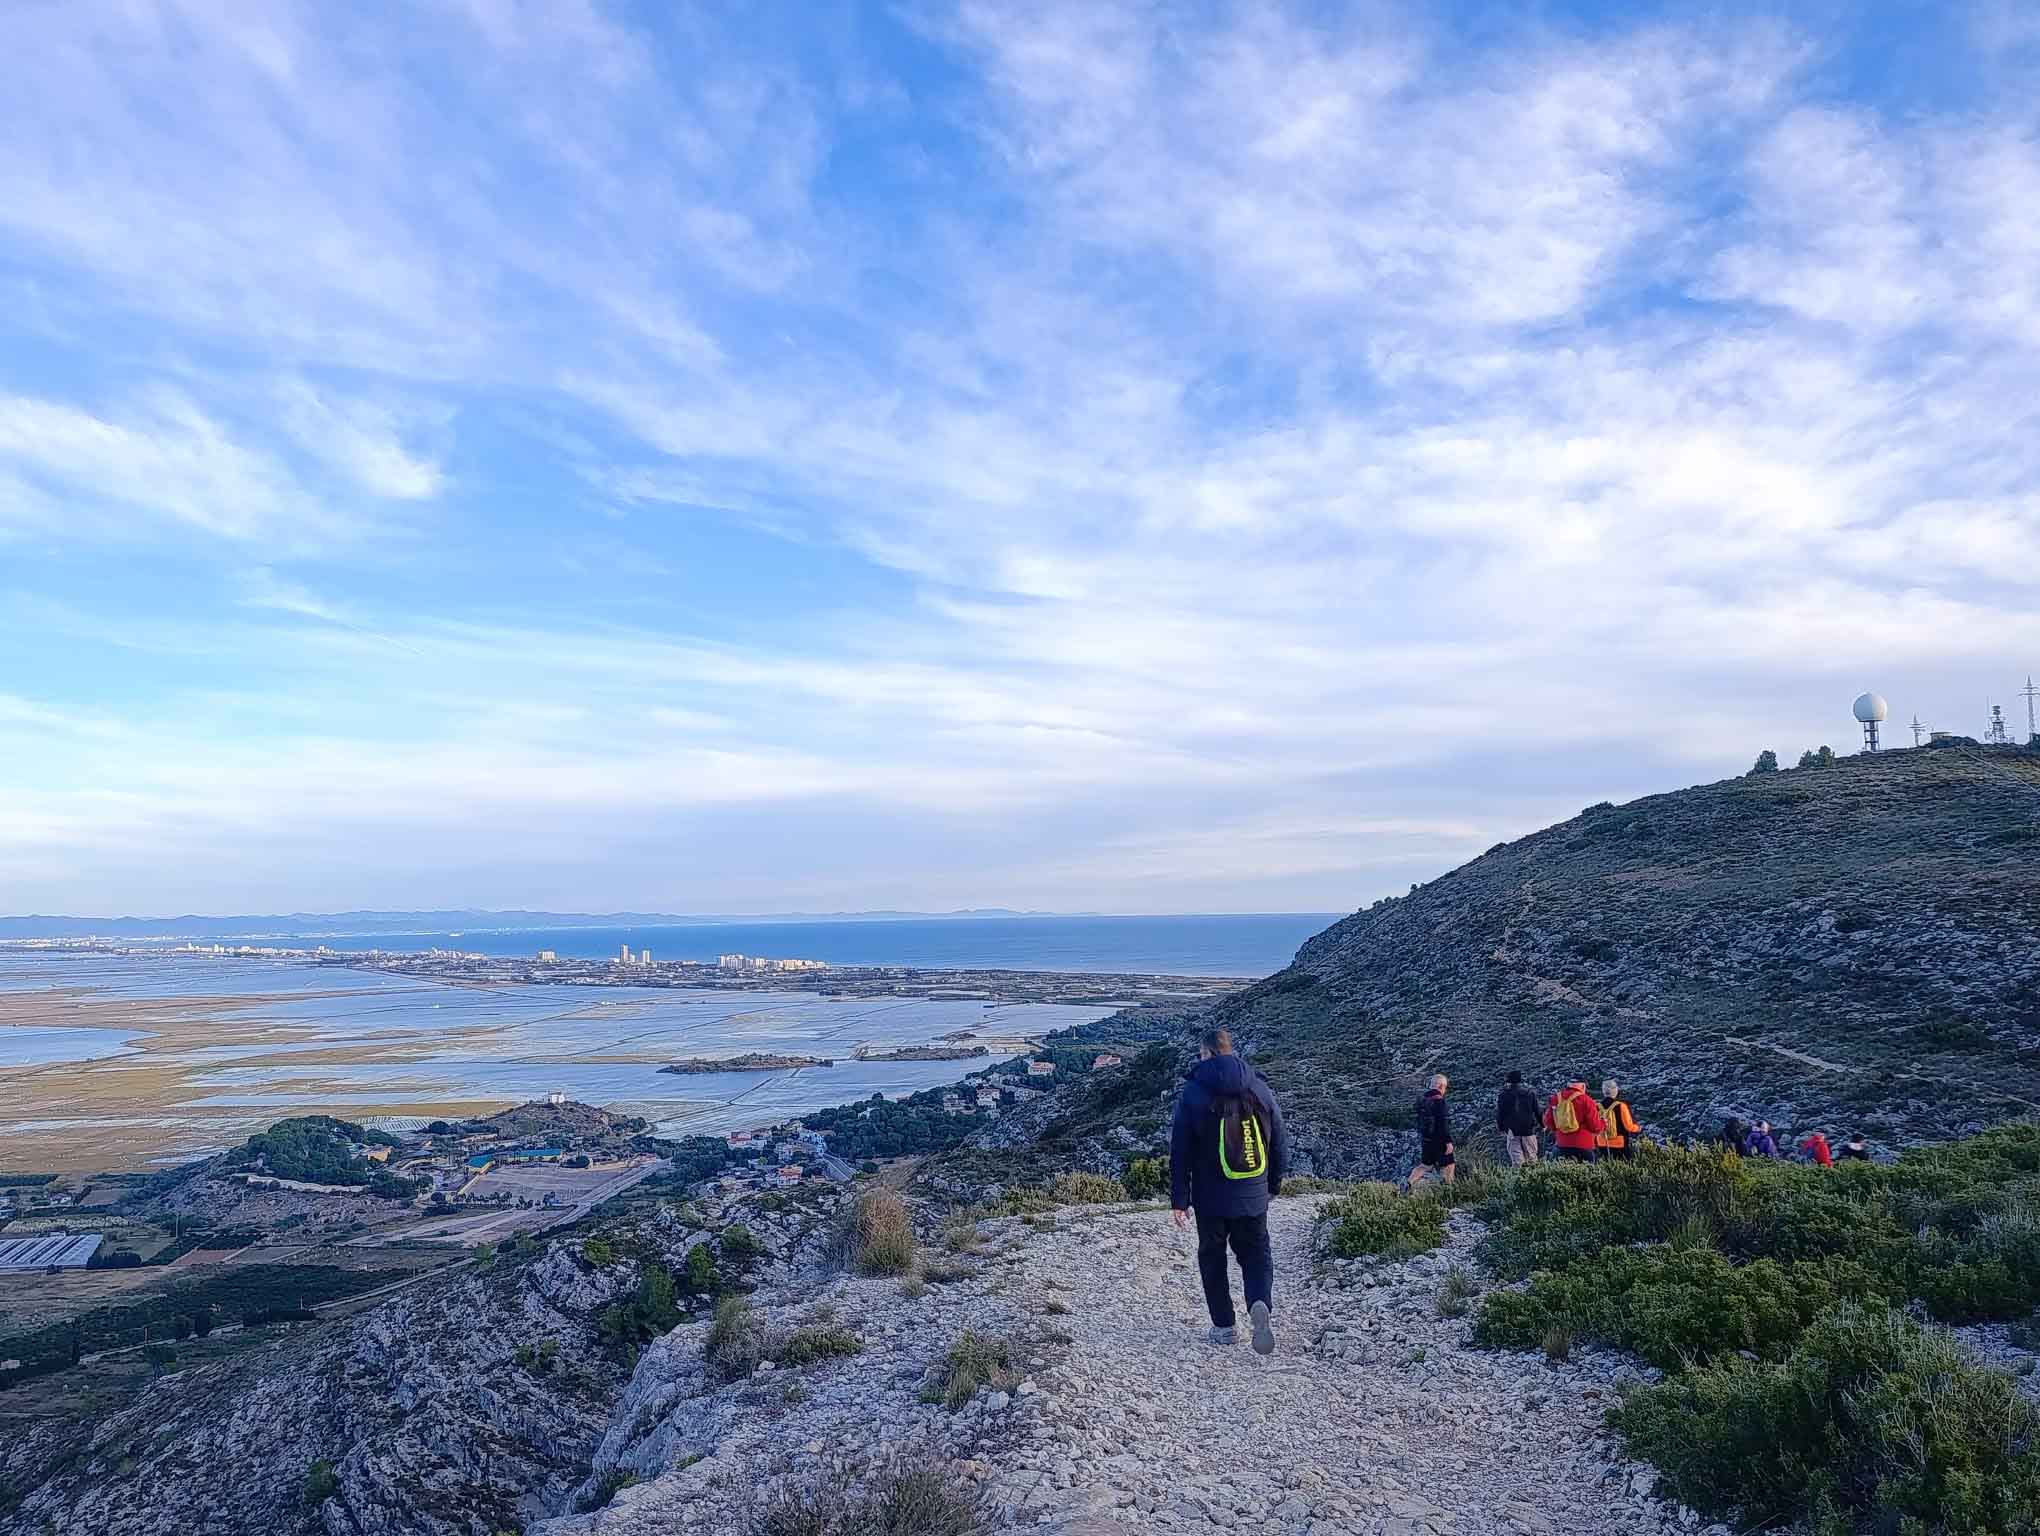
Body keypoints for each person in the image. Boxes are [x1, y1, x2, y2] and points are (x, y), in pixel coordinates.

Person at [1170, 1027, 1287, 1355]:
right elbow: (1279, 1142)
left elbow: (1180, 1149)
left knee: (1212, 1257)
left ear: (1206, 1053)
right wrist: (1272, 1185)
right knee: (1256, 1254)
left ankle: (1224, 1327)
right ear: (1231, 1050)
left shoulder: (1193, 1092)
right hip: (1253, 1191)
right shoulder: (1259, 1088)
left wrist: (1180, 1199)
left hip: (1210, 1197)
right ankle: (1259, 1303)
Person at [1407, 1074, 1455, 1191]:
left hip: (1426, 1140)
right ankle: (1449, 1190)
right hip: (1439, 1141)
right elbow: (1442, 1123)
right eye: (1445, 1087)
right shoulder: (1439, 1101)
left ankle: (1409, 1183)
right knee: (1449, 1164)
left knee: (1425, 1166)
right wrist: (1448, 1142)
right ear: (1441, 1086)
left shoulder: (1422, 1100)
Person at [1544, 1079, 1605, 1163]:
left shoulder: (1556, 1098)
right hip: (1584, 1146)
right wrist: (1603, 1123)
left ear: (1569, 1085)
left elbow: (1548, 1121)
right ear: (1583, 1086)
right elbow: (1595, 1126)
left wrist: (1559, 1129)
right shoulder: (1587, 1100)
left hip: (1561, 1145)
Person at [1496, 1070, 1541, 1165]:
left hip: (1512, 1132)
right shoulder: (1530, 1093)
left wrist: (1501, 1128)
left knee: (1517, 1161)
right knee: (1532, 1159)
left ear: (1508, 1081)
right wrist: (1543, 1124)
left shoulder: (1503, 1095)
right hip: (1528, 1130)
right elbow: (1538, 1111)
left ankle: (1520, 1178)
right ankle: (1535, 1178)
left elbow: (1500, 1114)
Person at [1596, 1080, 1640, 1160]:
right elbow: (1628, 1126)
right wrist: (1637, 1128)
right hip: (1619, 1144)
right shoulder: (1621, 1106)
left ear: (1603, 1091)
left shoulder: (1597, 1106)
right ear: (1615, 1091)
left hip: (1602, 1143)